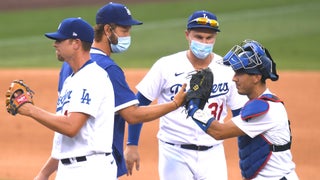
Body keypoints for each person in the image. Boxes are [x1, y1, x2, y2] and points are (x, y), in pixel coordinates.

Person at [34, 3, 187, 180]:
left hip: (72, 163)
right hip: (96, 163)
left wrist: (45, 172)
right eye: (124, 30)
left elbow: (66, 122)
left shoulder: (68, 68)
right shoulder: (107, 68)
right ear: (107, 30)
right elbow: (133, 115)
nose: (127, 36)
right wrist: (175, 104)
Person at [134, 10, 248, 179]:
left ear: (215, 37)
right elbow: (139, 104)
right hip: (174, 152)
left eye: (209, 38)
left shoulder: (227, 69)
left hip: (213, 153)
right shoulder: (166, 65)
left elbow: (240, 113)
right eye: (199, 37)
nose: (204, 42)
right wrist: (131, 144)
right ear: (187, 35)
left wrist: (245, 154)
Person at [15, 17, 117, 179]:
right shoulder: (71, 80)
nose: (55, 44)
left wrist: (30, 110)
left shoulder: (93, 77)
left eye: (60, 40)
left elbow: (71, 127)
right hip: (68, 167)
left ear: (76, 43)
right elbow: (62, 134)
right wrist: (44, 173)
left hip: (91, 169)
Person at [188, 39, 299, 179]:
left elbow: (218, 132)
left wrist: (192, 108)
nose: (234, 79)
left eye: (240, 73)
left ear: (256, 77)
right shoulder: (262, 102)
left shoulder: (264, 109)